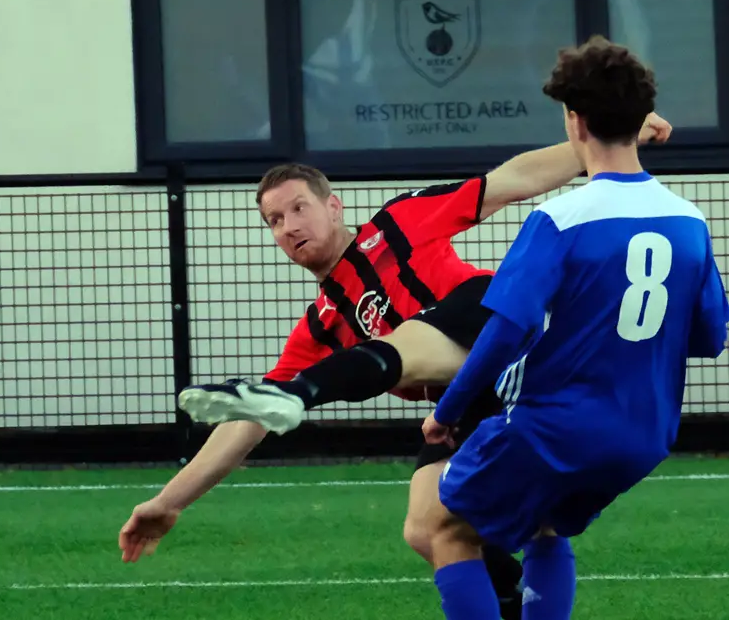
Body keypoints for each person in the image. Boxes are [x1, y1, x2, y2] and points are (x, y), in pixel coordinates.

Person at [117, 112, 673, 620]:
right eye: (274, 221)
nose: (287, 226)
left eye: (298, 208)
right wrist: (168, 502)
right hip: (459, 400)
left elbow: (510, 180)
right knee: (427, 528)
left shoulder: (400, 222)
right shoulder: (323, 322)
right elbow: (247, 422)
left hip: (501, 340)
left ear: (334, 206)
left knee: (418, 349)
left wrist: (606, 143)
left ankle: (308, 391)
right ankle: (511, 602)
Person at [418, 35, 729, 620]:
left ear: (575, 121)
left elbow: (506, 332)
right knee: (544, 526)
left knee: (444, 529)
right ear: (640, 120)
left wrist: (447, 411)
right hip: (644, 437)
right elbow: (710, 337)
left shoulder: (559, 219)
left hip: (556, 429)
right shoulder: (690, 221)